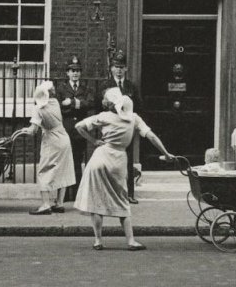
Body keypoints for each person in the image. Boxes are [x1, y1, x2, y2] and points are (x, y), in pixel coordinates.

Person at [74, 87, 175, 251]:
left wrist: (94, 141)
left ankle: (98, 240)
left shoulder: (104, 116)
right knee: (122, 199)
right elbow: (151, 136)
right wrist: (166, 153)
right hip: (118, 160)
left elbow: (79, 126)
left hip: (100, 157)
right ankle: (131, 241)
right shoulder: (134, 118)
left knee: (96, 201)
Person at [15, 80, 76, 215]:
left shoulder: (38, 109)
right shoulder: (55, 103)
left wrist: (23, 130)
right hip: (64, 139)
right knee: (63, 169)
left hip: (51, 141)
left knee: (44, 171)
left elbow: (33, 130)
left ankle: (45, 204)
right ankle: (59, 203)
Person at [99, 49, 142, 204]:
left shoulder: (131, 86)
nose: (118, 70)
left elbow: (138, 106)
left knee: (128, 161)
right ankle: (109, 193)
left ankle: (129, 193)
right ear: (111, 68)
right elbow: (99, 108)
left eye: (121, 67)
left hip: (127, 129)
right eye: (116, 67)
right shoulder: (105, 86)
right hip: (111, 129)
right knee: (110, 161)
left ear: (126, 69)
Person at [54, 55, 94, 202]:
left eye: (78, 70)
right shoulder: (61, 88)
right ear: (67, 73)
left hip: (80, 131)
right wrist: (77, 104)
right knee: (64, 162)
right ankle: (62, 197)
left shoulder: (86, 88)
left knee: (78, 161)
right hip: (66, 129)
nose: (75, 73)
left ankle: (77, 195)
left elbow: (90, 103)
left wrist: (71, 103)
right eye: (72, 70)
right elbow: (59, 107)